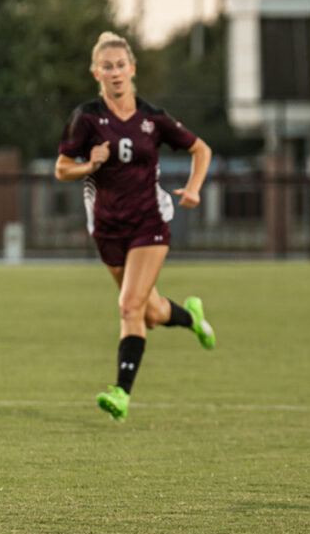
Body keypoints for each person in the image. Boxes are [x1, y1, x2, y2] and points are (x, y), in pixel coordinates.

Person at [55, 31, 215, 422]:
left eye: (120, 65)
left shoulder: (152, 118)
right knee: (148, 312)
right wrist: (90, 166)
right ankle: (191, 316)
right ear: (96, 72)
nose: (115, 72)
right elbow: (62, 170)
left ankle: (121, 394)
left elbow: (201, 149)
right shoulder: (87, 119)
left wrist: (193, 189)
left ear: (132, 69)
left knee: (128, 307)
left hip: (150, 223)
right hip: (108, 229)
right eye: (106, 66)